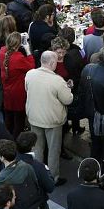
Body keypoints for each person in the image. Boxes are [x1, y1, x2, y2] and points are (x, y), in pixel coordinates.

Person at [25, 50, 73, 185]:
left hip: (34, 117)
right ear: (52, 63)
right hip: (52, 120)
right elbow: (68, 100)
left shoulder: (30, 74)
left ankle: (37, 175)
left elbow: (28, 89)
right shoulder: (57, 80)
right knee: (53, 150)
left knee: (37, 148)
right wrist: (68, 88)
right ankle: (52, 177)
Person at [1, 32, 33, 138]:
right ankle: (15, 142)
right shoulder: (18, 58)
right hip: (18, 93)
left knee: (8, 119)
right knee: (19, 121)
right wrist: (28, 51)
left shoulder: (2, 51)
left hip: (7, 91)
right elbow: (31, 67)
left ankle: (6, 138)